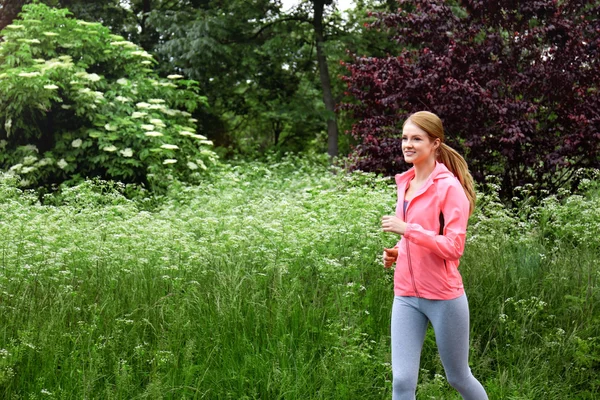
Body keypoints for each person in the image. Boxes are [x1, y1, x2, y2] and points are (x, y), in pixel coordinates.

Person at [381, 111, 488, 400]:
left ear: (434, 143)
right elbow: (416, 238)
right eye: (405, 138)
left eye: (417, 138)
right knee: (402, 381)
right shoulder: (404, 183)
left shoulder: (449, 188)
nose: (408, 144)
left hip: (444, 297)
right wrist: (398, 252)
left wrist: (408, 230)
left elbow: (454, 248)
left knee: (458, 377)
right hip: (405, 295)